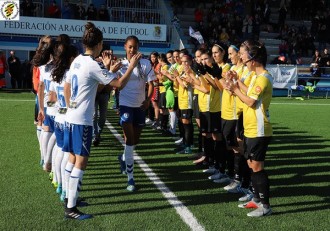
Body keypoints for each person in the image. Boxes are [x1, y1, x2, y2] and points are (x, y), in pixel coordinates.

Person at [62, 22, 141, 220]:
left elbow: (93, 88)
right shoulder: (92, 64)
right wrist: (130, 66)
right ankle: (71, 208)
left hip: (71, 116)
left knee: (72, 159)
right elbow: (119, 84)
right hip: (81, 120)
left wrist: (108, 70)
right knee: (81, 161)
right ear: (99, 44)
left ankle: (69, 199)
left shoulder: (78, 60)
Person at [226, 39, 273, 217]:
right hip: (251, 127)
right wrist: (236, 82)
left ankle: (266, 205)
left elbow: (251, 101)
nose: (242, 58)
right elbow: (248, 92)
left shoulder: (264, 78)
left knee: (257, 167)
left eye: (245, 55)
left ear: (253, 59)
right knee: (251, 164)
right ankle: (256, 198)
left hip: (260, 129)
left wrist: (234, 89)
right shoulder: (255, 77)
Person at [117, 35, 156, 192]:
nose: (132, 50)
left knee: (135, 141)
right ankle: (131, 179)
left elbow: (152, 84)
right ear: (125, 47)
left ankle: (123, 158)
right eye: (130, 47)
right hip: (125, 106)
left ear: (138, 47)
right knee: (129, 140)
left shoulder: (146, 63)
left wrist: (147, 100)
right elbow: (118, 86)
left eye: (135, 47)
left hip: (140, 107)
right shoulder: (120, 64)